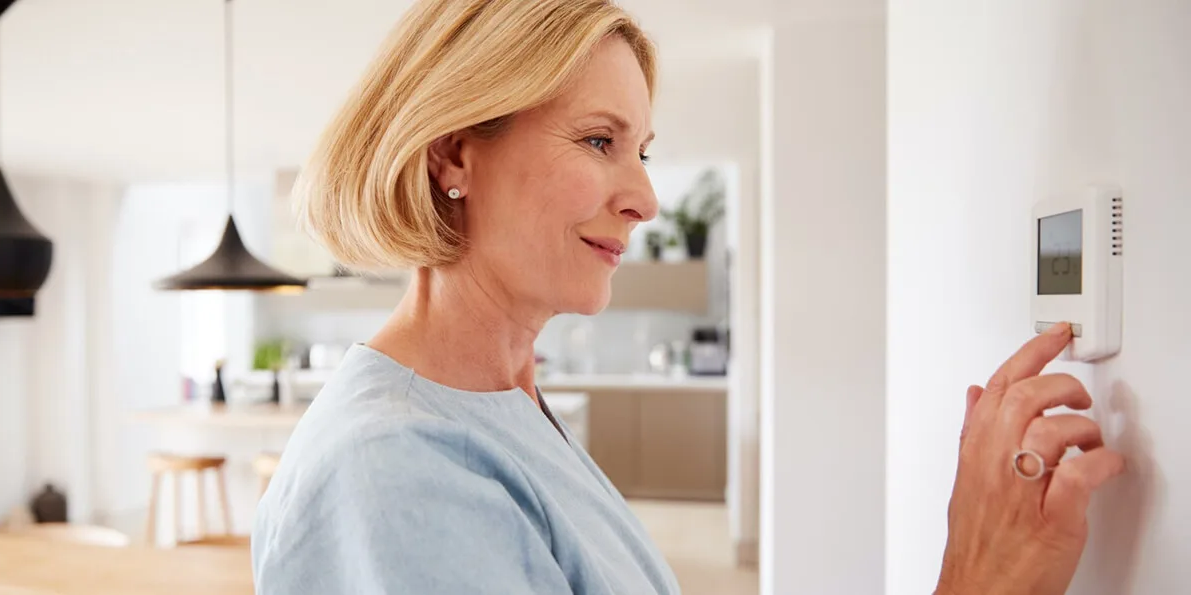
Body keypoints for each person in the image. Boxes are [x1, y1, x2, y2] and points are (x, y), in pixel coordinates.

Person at [250, 0, 1127, 593]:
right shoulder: (393, 469)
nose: (645, 197)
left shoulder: (501, 404)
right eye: (599, 140)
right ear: (452, 156)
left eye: (642, 150)